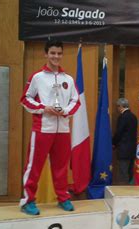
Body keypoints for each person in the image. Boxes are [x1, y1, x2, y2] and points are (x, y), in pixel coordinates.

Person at [19, 40, 80, 215]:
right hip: (42, 128)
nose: (56, 56)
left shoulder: (68, 79)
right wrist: (44, 108)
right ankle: (28, 200)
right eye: (52, 53)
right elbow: (25, 99)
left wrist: (65, 111)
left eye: (59, 53)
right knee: (34, 166)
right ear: (46, 54)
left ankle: (63, 198)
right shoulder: (37, 77)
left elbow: (76, 101)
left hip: (62, 129)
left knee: (61, 167)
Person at [113, 98, 138, 185]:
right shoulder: (134, 116)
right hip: (132, 149)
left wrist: (113, 143)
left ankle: (123, 190)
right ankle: (130, 190)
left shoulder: (122, 117)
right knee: (130, 171)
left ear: (121, 106)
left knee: (123, 172)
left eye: (118, 106)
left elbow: (119, 132)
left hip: (123, 149)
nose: (117, 109)